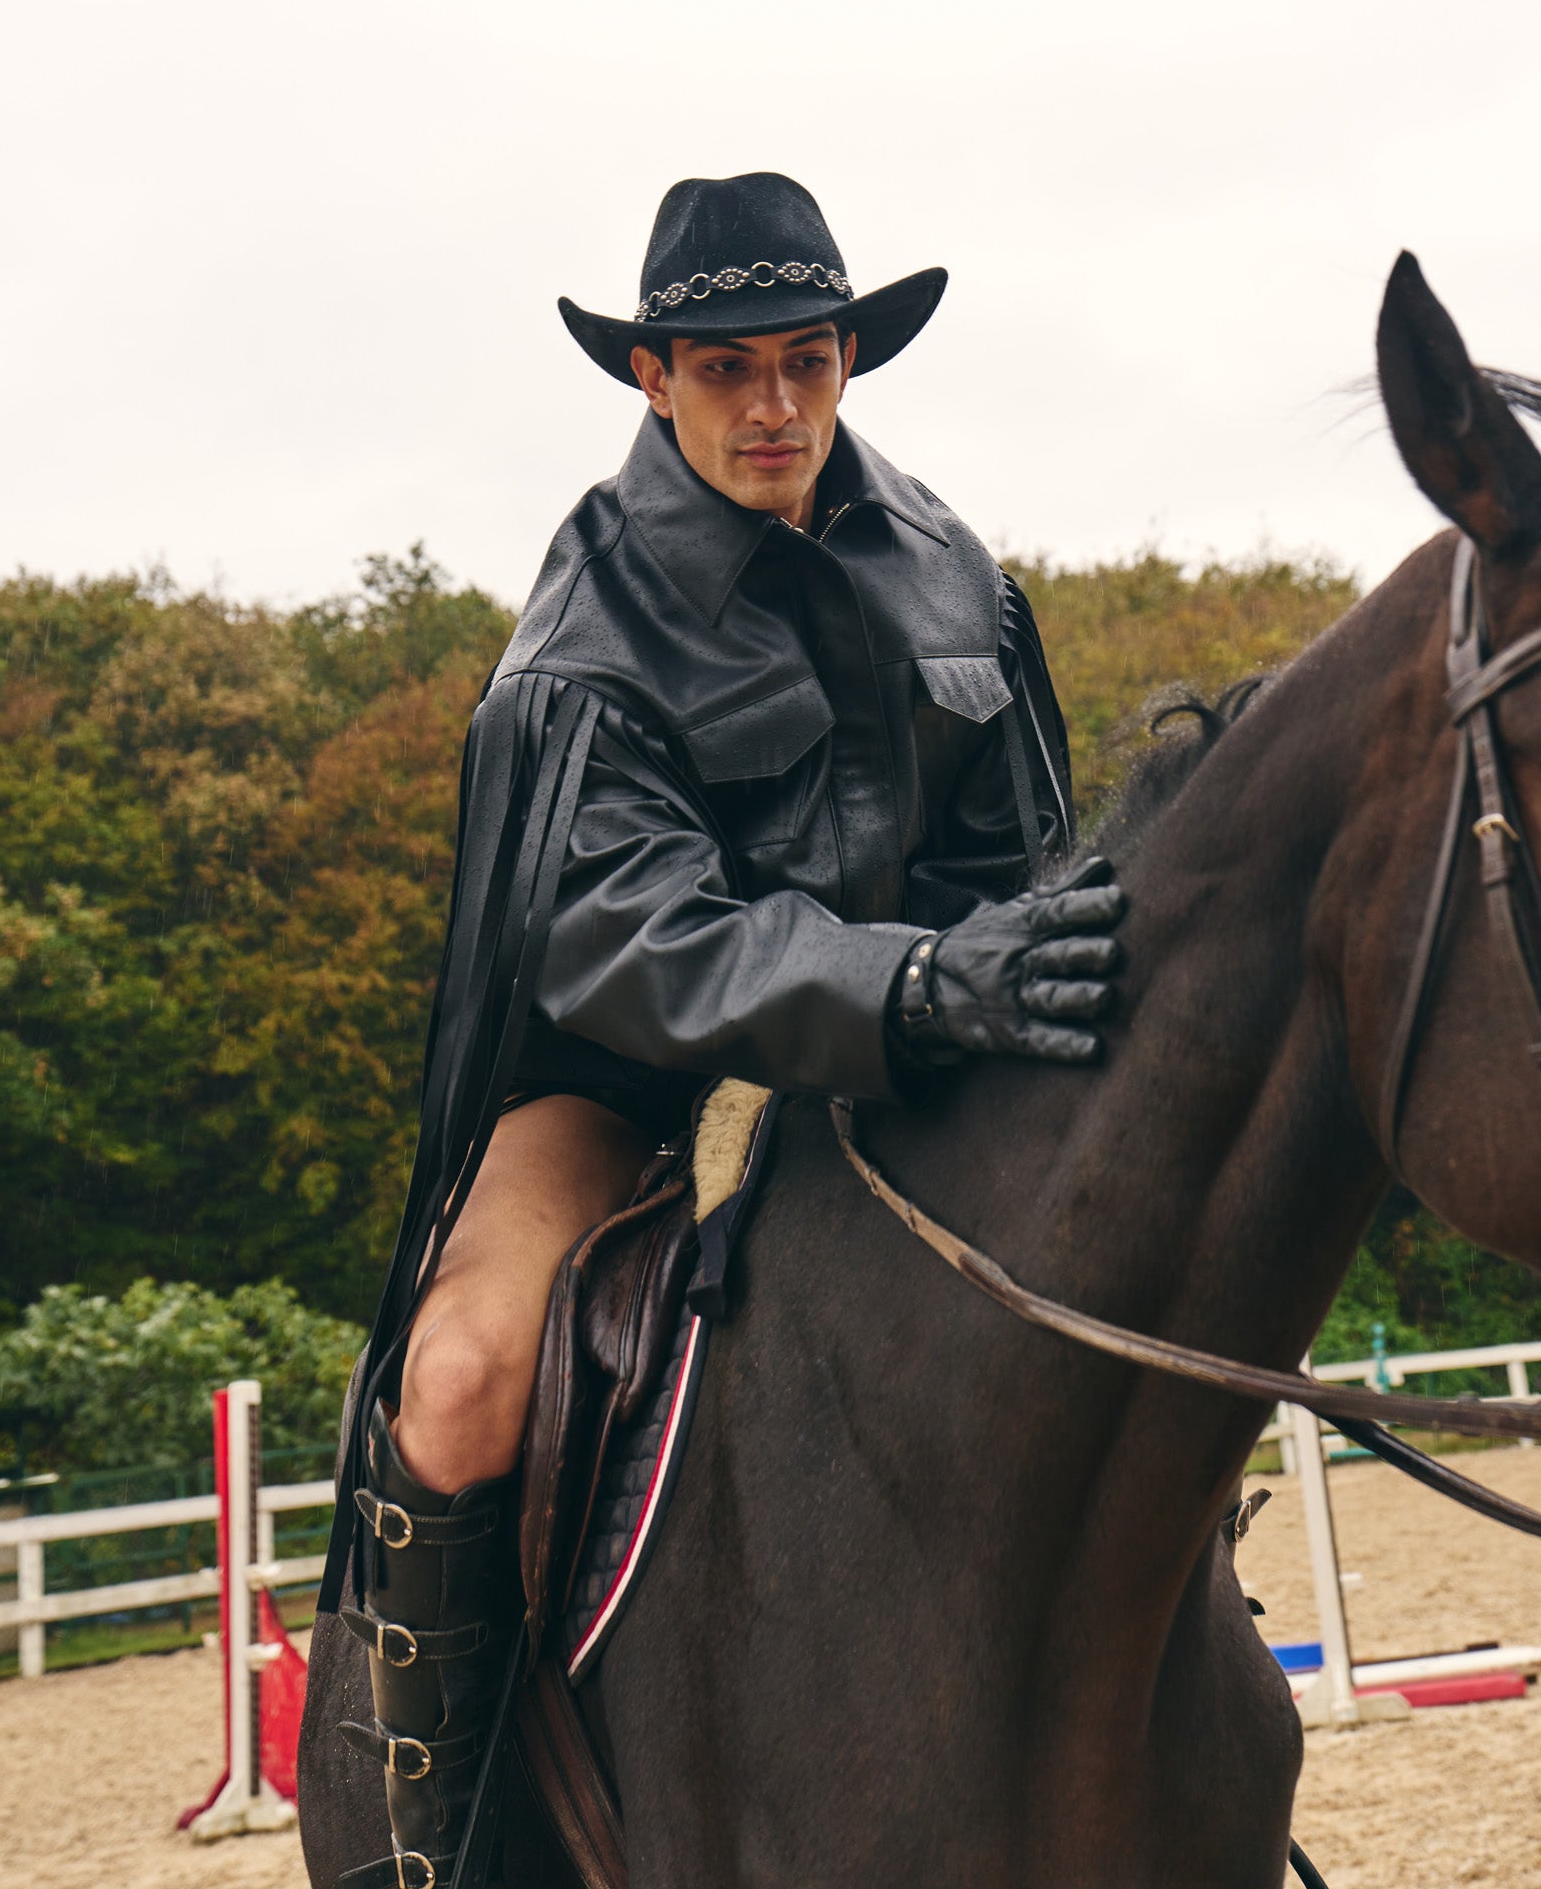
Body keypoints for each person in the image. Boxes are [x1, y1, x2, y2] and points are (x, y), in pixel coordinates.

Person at [314, 172, 1127, 1889]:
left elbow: (1021, 861)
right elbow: (632, 941)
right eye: (728, 367)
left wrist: (994, 984)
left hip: (918, 1047)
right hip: (628, 1081)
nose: (775, 406)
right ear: (652, 377)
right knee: (458, 1383)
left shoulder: (958, 578)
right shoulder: (579, 641)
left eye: (807, 360)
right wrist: (911, 985)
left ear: (848, 359)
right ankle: (429, 1851)